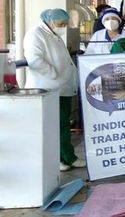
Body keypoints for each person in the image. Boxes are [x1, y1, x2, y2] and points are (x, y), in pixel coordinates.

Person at [24, 9, 85, 171]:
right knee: (51, 127)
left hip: (61, 89)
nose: (63, 27)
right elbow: (35, 60)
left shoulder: (53, 34)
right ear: (50, 21)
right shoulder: (35, 35)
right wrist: (55, 74)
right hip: (48, 89)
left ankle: (68, 157)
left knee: (63, 125)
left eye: (65, 24)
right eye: (61, 24)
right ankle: (55, 160)